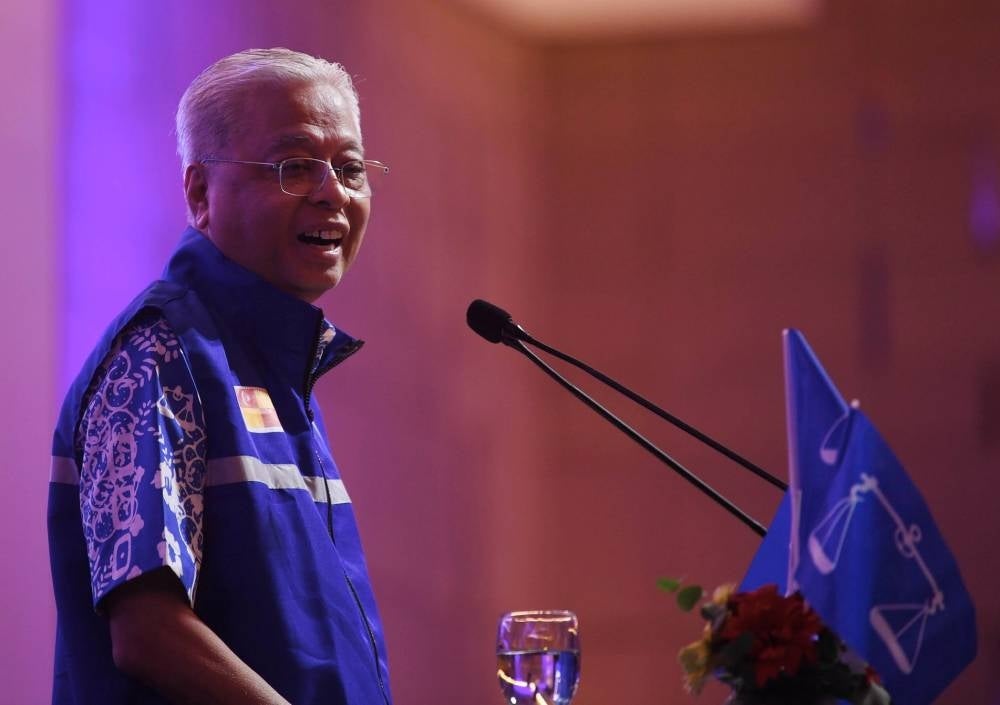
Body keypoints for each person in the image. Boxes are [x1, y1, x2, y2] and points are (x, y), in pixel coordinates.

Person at [47, 48, 392, 705]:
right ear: (200, 193)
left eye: (350, 168)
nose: (333, 192)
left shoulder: (276, 370)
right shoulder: (160, 354)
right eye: (295, 166)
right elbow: (147, 630)